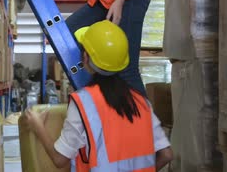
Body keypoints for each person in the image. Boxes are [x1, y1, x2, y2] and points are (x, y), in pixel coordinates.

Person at [24, 20, 173, 171]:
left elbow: (60, 159)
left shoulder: (84, 102)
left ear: (86, 57)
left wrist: (38, 127)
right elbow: (166, 154)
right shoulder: (142, 102)